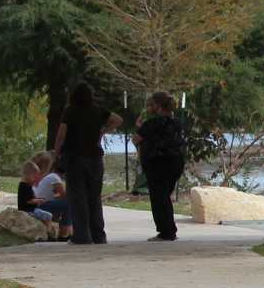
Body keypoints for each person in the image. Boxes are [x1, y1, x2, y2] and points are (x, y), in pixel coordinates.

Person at [51, 83, 122, 245]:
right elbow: (118, 119)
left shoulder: (71, 111)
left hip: (75, 158)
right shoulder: (97, 110)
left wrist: (56, 153)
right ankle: (98, 235)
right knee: (94, 197)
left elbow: (62, 133)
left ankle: (82, 236)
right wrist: (103, 130)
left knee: (78, 197)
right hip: (95, 159)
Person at [133, 92, 187, 242]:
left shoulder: (152, 123)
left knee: (158, 198)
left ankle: (166, 231)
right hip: (175, 162)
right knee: (165, 196)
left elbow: (136, 139)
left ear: (157, 105)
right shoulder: (177, 122)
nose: (149, 107)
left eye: (151, 104)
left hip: (158, 162)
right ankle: (168, 229)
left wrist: (139, 127)